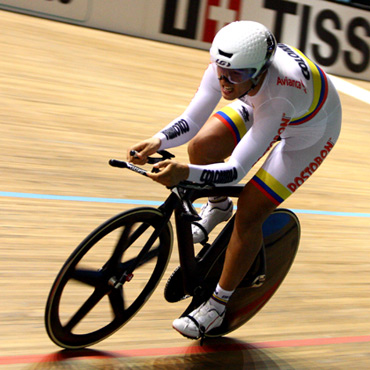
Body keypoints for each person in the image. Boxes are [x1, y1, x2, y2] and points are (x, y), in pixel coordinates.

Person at [127, 21, 341, 339]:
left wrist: (184, 172)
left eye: (235, 75)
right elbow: (192, 119)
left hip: (309, 131)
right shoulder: (231, 70)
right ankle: (217, 207)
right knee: (201, 146)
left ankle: (217, 305)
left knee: (252, 208)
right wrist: (158, 141)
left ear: (258, 71)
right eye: (221, 71)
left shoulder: (278, 92)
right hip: (257, 100)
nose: (225, 82)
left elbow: (236, 170)